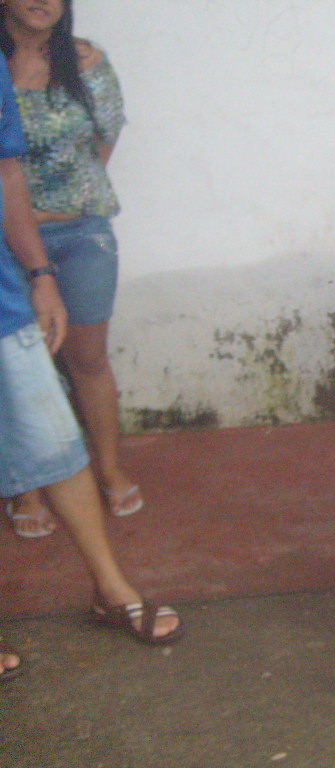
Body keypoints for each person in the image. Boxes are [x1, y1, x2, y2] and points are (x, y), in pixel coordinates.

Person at [0, 53, 181, 681]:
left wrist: (40, 270)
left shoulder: (46, 68)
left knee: (58, 426)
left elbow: (9, 172)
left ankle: (110, 584)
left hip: (17, 279)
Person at [1, 0, 139, 538]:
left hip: (82, 234)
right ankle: (28, 487)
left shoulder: (86, 61)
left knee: (88, 358)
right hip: (7, 241)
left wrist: (72, 192)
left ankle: (110, 469)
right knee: (20, 366)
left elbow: (108, 131)